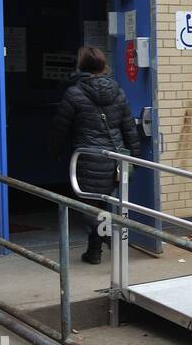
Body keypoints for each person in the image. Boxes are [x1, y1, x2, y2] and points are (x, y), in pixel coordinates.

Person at [50, 46, 142, 265]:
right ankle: (94, 252)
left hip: (87, 158)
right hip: (114, 158)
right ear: (103, 66)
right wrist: (134, 157)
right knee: (100, 203)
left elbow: (60, 127)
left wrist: (54, 151)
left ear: (81, 66)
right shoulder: (117, 91)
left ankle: (110, 236)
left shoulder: (74, 93)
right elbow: (128, 126)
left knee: (88, 206)